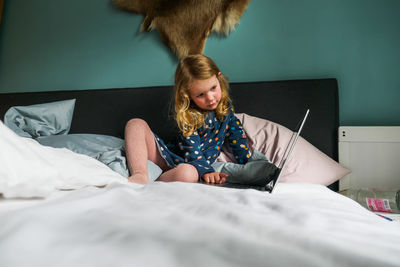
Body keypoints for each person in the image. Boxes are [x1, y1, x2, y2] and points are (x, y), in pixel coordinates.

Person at [125, 54, 252, 184]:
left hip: (187, 170)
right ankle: (140, 175)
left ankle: (155, 182)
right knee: (135, 124)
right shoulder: (188, 115)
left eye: (213, 88)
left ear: (219, 78)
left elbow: (238, 138)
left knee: (187, 173)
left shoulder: (226, 111)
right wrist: (207, 172)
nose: (210, 98)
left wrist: (249, 164)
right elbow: (192, 151)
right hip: (167, 157)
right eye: (200, 95)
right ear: (188, 95)